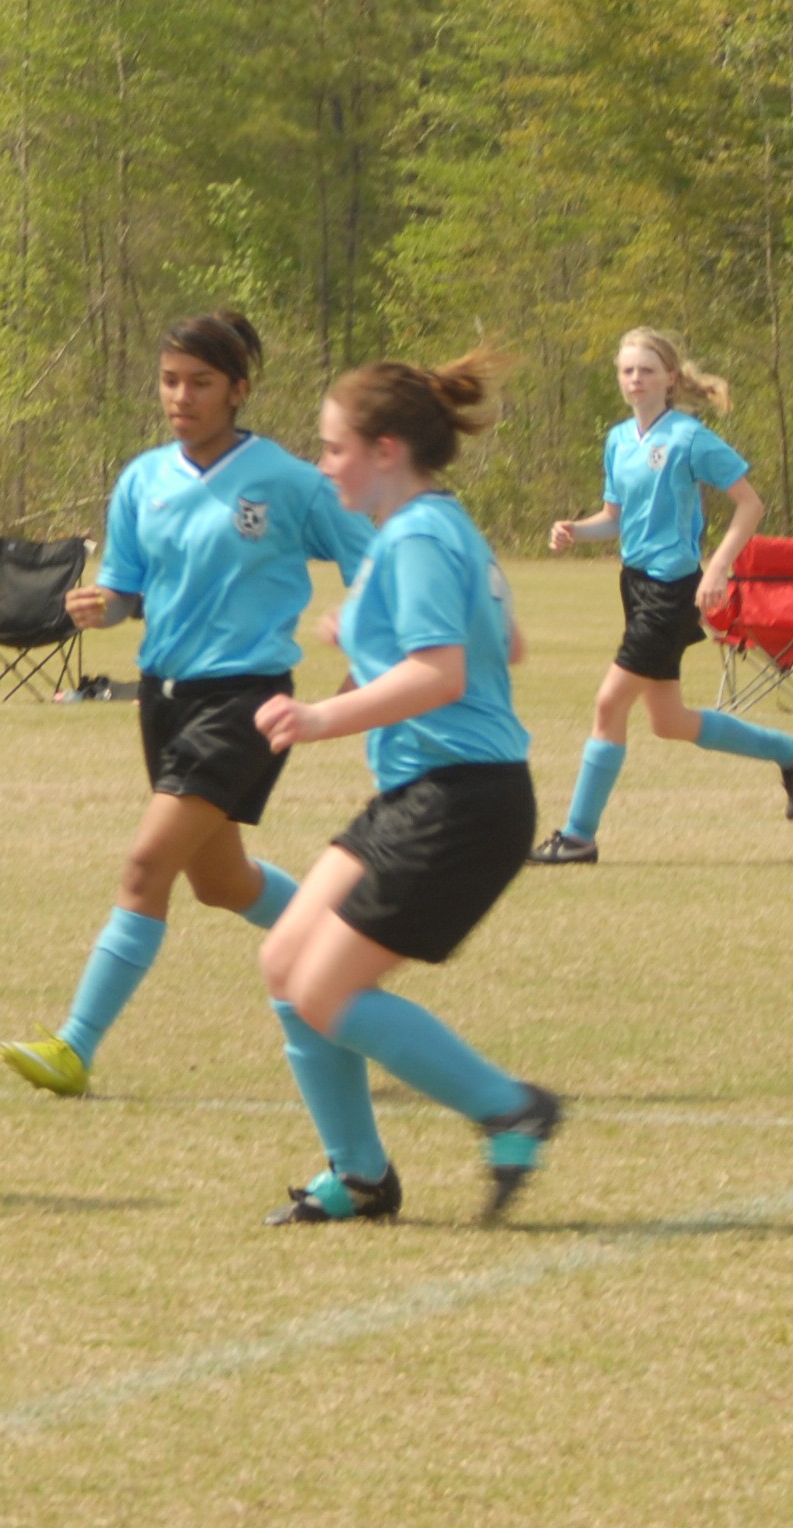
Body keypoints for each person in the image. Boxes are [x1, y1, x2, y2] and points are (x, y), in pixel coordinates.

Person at [0, 311, 366, 1103]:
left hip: (246, 700)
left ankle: (74, 1047)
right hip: (162, 699)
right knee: (222, 883)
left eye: (200, 383)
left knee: (144, 868)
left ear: (239, 389)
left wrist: (369, 655)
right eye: (169, 381)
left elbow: (378, 559)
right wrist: (105, 605)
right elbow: (129, 591)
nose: (181, 397)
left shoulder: (287, 480)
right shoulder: (142, 480)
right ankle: (343, 950)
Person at [251, 350, 561, 1228]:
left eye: (333, 447)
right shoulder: (431, 528)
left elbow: (442, 674)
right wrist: (369, 640)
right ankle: (359, 1178)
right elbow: (509, 643)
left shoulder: (421, 536)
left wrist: (320, 714)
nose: (322, 465)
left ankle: (511, 1109)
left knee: (324, 991)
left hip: (460, 803)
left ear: (385, 449)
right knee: (285, 964)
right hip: (426, 791)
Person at [527, 329, 793, 865]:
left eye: (646, 370)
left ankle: (578, 836)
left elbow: (750, 505)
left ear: (670, 379)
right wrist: (575, 530)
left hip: (671, 589)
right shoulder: (617, 439)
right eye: (626, 371)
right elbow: (613, 520)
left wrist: (719, 569)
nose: (634, 379)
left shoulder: (688, 437)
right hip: (635, 587)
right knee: (669, 721)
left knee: (608, 702)